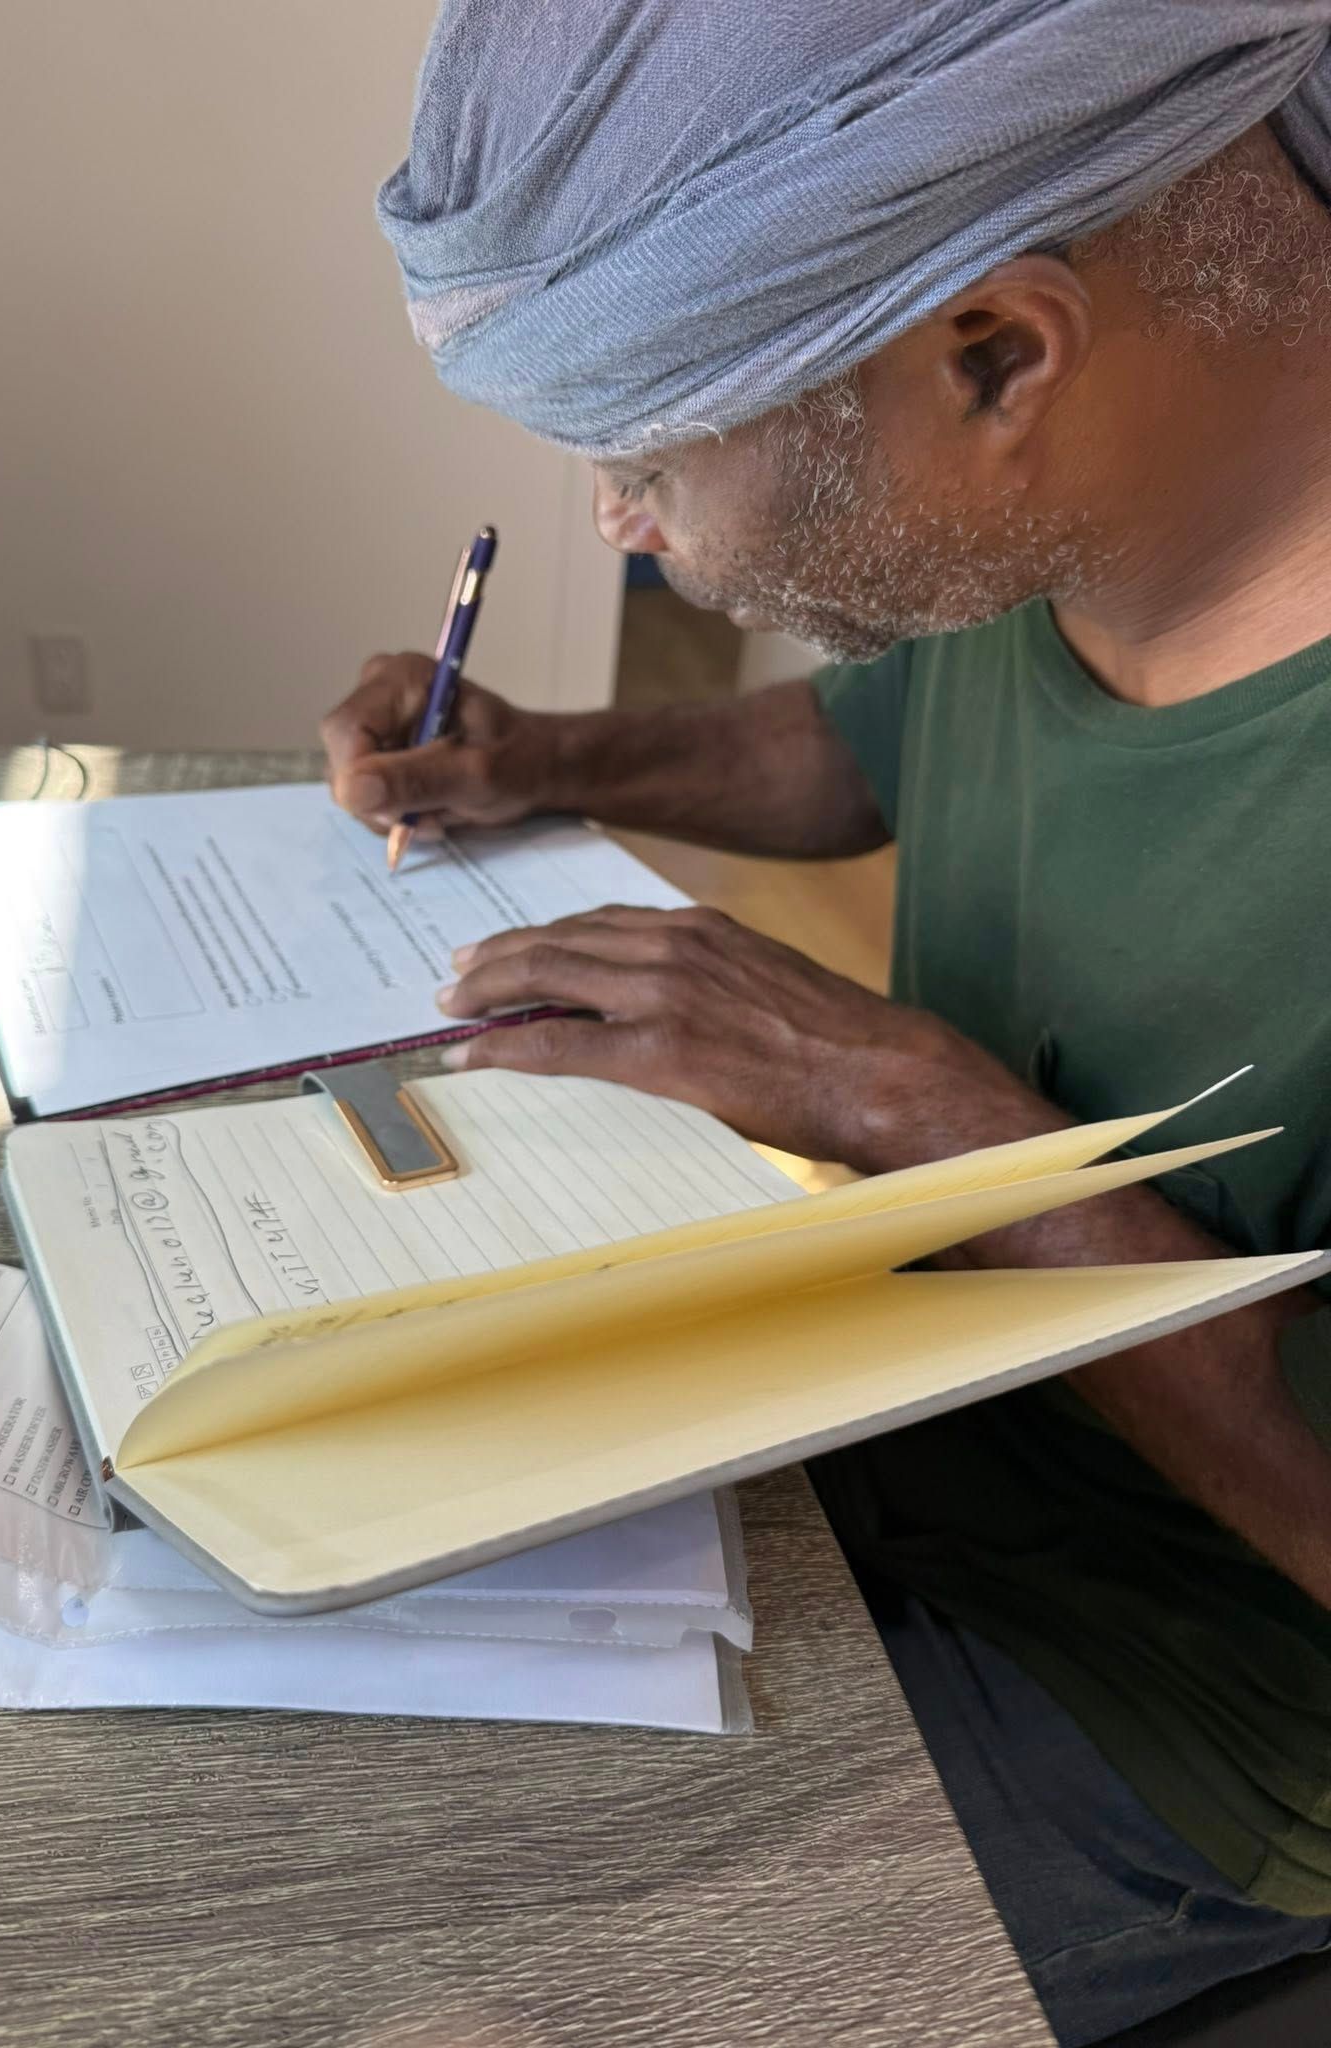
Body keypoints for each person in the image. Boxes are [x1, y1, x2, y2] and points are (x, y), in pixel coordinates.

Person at [324, 9, 1331, 2041]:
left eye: (649, 454)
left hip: (1195, 1736)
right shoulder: (1108, 497)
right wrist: (544, 757)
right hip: (868, 1436)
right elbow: (868, 744)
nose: (621, 522)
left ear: (993, 353)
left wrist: (905, 1098)